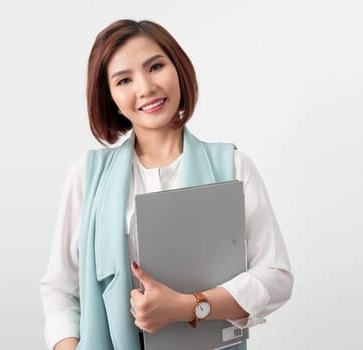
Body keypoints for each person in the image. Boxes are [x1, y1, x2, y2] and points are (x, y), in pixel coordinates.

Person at [39, 19, 293, 350]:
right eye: (124, 80)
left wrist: (190, 307)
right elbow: (60, 288)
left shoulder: (232, 167)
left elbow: (275, 276)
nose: (145, 88)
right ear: (111, 96)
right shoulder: (87, 176)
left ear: (178, 68)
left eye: (155, 66)